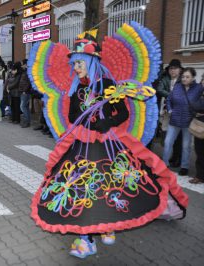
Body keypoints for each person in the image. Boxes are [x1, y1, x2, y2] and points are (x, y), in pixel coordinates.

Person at [28, 26, 188, 258]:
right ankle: (88, 238)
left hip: (109, 143)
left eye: (79, 64)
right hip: (82, 143)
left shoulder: (107, 86)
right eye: (74, 64)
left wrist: (107, 123)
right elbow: (73, 116)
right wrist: (90, 124)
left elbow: (122, 113)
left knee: (112, 187)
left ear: (90, 63)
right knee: (82, 189)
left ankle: (107, 228)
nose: (75, 68)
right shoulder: (76, 89)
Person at [162, 67, 204, 176]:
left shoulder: (198, 88)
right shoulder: (177, 87)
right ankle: (164, 164)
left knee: (186, 146)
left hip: (188, 121)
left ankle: (184, 166)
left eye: (187, 77)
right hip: (174, 120)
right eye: (183, 76)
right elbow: (169, 99)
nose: (184, 79)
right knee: (167, 143)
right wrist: (170, 110)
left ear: (193, 78)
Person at [156, 59, 183, 166]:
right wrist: (172, 96)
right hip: (167, 111)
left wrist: (171, 96)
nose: (173, 71)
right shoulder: (165, 79)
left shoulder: (183, 79)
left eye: (175, 68)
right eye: (171, 68)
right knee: (168, 134)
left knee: (179, 137)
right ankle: (171, 157)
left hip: (179, 112)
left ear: (180, 70)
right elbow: (160, 89)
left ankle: (178, 159)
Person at [189, 86, 204, 184]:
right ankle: (199, 176)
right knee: (199, 152)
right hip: (200, 128)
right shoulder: (199, 94)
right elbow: (193, 106)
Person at [19, 59, 32, 128]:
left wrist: (25, 90)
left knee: (23, 106)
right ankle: (27, 121)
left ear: (26, 64)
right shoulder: (25, 71)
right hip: (23, 91)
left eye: (22, 64)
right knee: (25, 107)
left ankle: (27, 121)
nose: (21, 66)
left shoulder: (28, 72)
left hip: (25, 92)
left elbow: (29, 82)